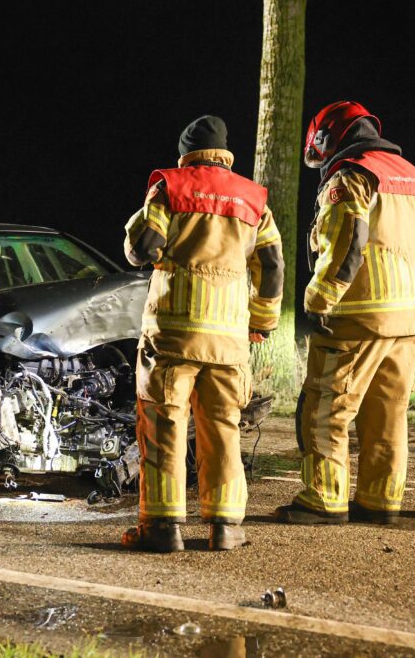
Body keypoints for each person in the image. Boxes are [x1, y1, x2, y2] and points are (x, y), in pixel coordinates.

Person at [121, 115, 284, 552]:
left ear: (185, 153)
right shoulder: (253, 199)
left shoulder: (170, 188)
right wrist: (261, 322)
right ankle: (225, 527)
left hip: (173, 335)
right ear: (225, 152)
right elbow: (271, 266)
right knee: (223, 429)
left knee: (163, 426)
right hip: (229, 339)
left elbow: (141, 249)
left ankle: (162, 529)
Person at [275, 102, 415, 525]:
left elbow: (348, 239)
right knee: (387, 414)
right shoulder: (406, 173)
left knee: (326, 408)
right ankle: (381, 503)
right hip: (411, 317)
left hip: (358, 315)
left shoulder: (351, 175)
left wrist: (319, 299)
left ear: (327, 139)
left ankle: (323, 500)